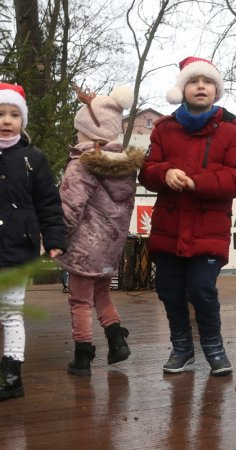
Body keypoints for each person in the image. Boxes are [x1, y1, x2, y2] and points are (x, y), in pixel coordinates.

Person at [138, 56, 236, 376]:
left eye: (208, 81)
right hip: (169, 227)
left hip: (209, 228)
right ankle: (182, 347)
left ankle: (214, 346)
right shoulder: (163, 129)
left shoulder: (233, 132)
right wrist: (165, 173)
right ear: (182, 89)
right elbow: (146, 172)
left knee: (201, 289)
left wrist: (196, 182)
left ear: (217, 90)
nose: (200, 86)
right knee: (169, 289)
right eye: (193, 81)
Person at [56, 85, 144, 377]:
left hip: (83, 247)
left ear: (86, 132)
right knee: (103, 294)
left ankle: (82, 356)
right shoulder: (125, 167)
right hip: (110, 248)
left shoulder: (81, 165)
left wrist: (55, 237)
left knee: (80, 300)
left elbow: (69, 207)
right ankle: (117, 341)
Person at [0, 83, 66, 401]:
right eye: (0, 113)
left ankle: (12, 374)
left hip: (17, 246)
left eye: (14, 114)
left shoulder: (33, 159)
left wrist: (54, 239)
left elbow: (48, 203)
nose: (6, 120)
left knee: (11, 312)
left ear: (22, 121)